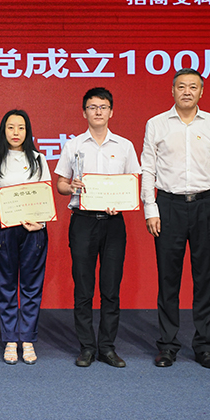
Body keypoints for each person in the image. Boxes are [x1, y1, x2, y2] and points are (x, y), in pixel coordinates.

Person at [141, 68, 210, 370]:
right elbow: (148, 169)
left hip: (206, 205)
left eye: (193, 87)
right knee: (168, 278)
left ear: (201, 92)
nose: (187, 92)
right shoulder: (156, 124)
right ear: (172, 90)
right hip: (169, 205)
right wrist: (151, 209)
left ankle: (204, 347)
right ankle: (168, 346)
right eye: (181, 86)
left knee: (205, 278)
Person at [55, 88, 140, 368]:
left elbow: (132, 183)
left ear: (111, 111)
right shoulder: (73, 145)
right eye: (92, 107)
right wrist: (71, 186)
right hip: (83, 221)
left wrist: (122, 202)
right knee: (83, 287)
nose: (98, 111)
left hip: (113, 223)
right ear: (84, 113)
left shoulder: (124, 146)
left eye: (103, 107)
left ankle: (107, 347)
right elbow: (60, 184)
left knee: (111, 288)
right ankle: (87, 347)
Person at [0, 109, 51, 365]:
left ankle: (28, 339)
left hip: (34, 229)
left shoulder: (38, 159)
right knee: (6, 284)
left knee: (31, 286)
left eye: (21, 127)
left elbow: (45, 194)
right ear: (3, 131)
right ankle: (11, 339)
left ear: (27, 131)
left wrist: (40, 222)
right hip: (5, 228)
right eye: (10, 127)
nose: (16, 132)